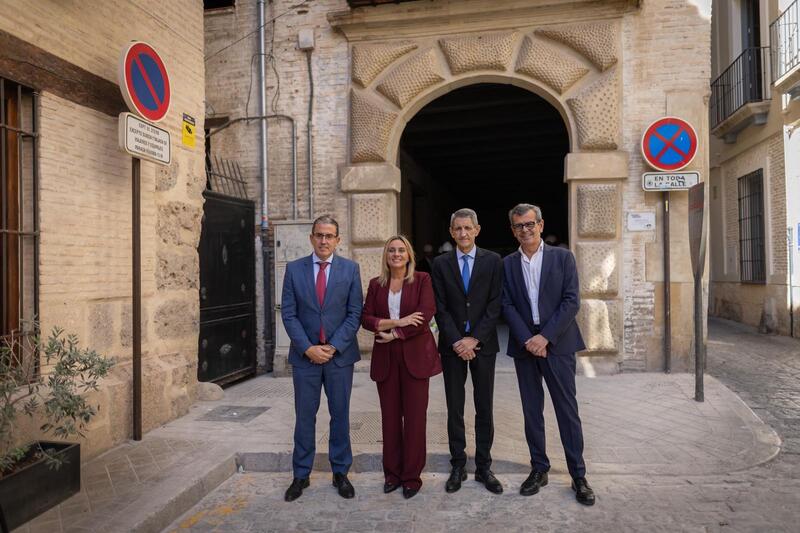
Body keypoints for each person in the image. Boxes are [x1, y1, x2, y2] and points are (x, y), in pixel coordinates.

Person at [501, 203, 595, 506]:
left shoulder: (563, 257)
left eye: (530, 224)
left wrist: (545, 337)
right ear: (513, 230)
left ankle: (578, 475)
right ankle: (538, 469)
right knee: (532, 412)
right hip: (525, 346)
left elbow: (571, 302)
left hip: (558, 344)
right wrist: (529, 338)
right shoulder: (507, 264)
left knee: (567, 411)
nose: (525, 230)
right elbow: (507, 305)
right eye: (518, 226)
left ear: (540, 225)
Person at [281, 214, 363, 502]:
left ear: (338, 240)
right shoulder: (294, 269)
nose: (324, 240)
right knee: (305, 417)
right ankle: (300, 475)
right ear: (312, 238)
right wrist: (308, 348)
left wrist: (333, 347)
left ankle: (340, 473)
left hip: (339, 358)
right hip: (305, 359)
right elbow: (288, 314)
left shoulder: (351, 270)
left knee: (340, 415)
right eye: (319, 235)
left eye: (330, 236)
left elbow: (355, 314)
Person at [361, 235, 441, 499]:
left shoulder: (422, 280)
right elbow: (367, 319)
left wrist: (396, 333)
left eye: (401, 250)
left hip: (415, 357)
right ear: (386, 256)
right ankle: (392, 475)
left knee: (415, 420)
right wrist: (398, 321)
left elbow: (425, 313)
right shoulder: (376, 284)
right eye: (391, 250)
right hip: (386, 359)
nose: (396, 254)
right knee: (390, 419)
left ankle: (411, 476)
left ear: (409, 255)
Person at [430, 208, 504, 494]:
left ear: (477, 230)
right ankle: (458, 464)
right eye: (457, 229)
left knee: (484, 406)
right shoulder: (440, 264)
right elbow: (440, 306)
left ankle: (484, 466)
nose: (463, 233)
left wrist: (474, 339)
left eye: (467, 228)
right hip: (452, 347)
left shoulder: (493, 261)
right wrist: (457, 340)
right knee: (455, 408)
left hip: (483, 346)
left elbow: (496, 303)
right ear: (451, 232)